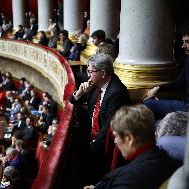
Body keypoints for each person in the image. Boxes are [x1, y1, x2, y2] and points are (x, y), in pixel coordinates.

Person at [83, 105, 179, 189]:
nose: (115, 141)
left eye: (116, 136)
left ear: (129, 139)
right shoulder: (168, 159)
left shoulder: (128, 180)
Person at [69, 53, 131, 182]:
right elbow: (73, 101)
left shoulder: (116, 93)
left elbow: (108, 128)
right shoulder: (96, 85)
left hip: (106, 143)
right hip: (90, 133)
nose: (88, 75)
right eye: (88, 71)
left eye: (91, 71)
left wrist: (91, 147)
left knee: (74, 162)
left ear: (103, 73)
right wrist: (80, 93)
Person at [144, 30, 189, 119]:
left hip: (187, 106)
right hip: (185, 103)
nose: (183, 46)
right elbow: (181, 81)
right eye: (183, 42)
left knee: (146, 103)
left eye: (187, 42)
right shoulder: (188, 59)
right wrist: (159, 87)